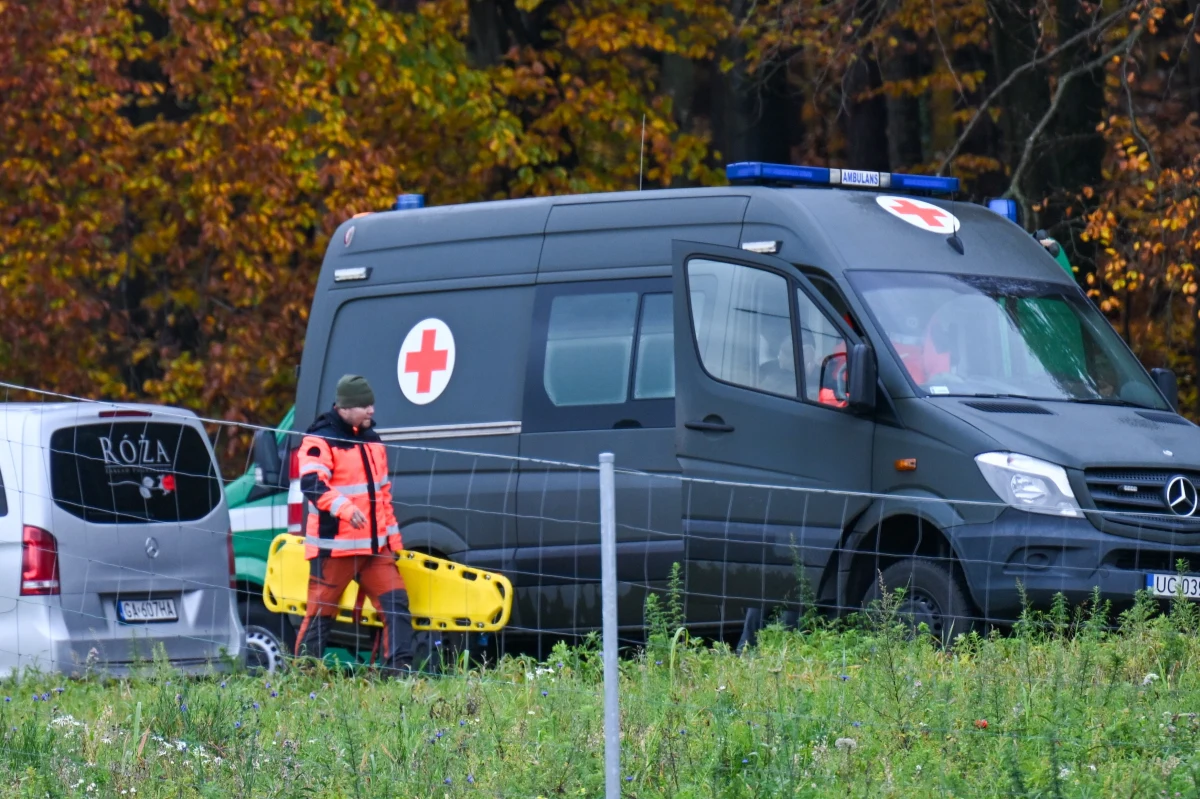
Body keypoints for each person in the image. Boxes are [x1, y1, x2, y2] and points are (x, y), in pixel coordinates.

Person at [293, 374, 414, 675]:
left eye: (371, 404)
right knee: (320, 616)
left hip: (375, 550)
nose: (371, 411)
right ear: (345, 408)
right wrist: (345, 509)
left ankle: (400, 674)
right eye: (364, 406)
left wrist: (394, 543)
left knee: (396, 606)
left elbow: (383, 495)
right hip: (333, 551)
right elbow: (311, 483)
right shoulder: (320, 439)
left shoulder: (372, 440)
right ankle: (302, 677)